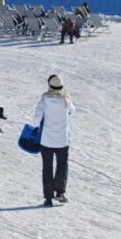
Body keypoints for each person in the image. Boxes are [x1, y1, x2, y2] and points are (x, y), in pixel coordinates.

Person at [33, 74, 74, 206]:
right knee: (62, 165)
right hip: (62, 140)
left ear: (49, 86)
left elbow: (37, 117)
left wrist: (36, 128)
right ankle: (60, 192)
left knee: (47, 167)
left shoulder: (44, 100)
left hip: (46, 140)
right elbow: (72, 110)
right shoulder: (66, 100)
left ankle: (48, 198)